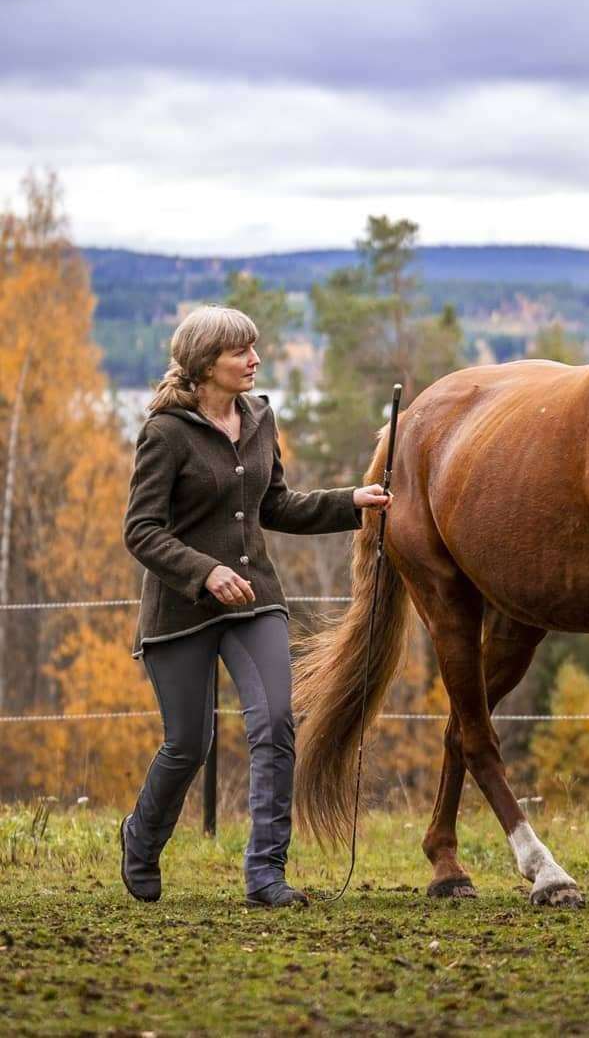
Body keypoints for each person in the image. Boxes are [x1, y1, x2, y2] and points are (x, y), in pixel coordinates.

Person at [120, 304, 392, 908]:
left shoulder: (261, 417)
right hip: (180, 611)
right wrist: (206, 572)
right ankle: (141, 838)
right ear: (203, 363)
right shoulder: (164, 433)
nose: (255, 360)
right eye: (241, 351)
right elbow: (140, 530)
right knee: (188, 744)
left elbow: (278, 505)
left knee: (275, 725)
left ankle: (265, 873)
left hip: (256, 603)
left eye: (254, 348)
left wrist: (352, 502)